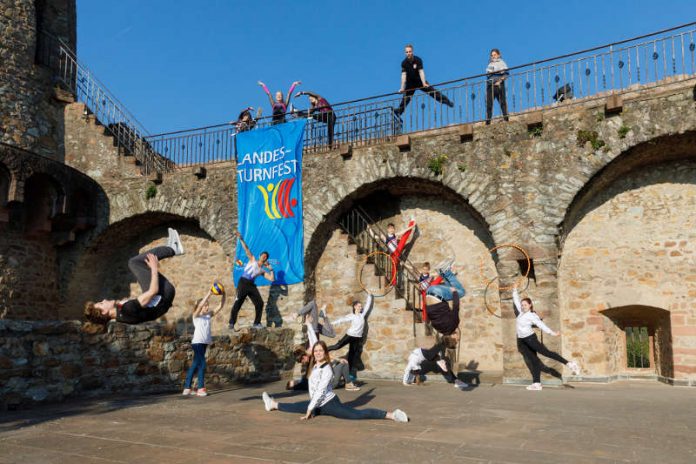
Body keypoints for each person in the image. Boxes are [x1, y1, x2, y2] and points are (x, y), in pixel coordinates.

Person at [262, 340, 408, 422]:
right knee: (296, 406)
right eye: (316, 351)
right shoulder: (313, 365)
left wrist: (309, 409)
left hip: (329, 403)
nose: (318, 353)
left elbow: (319, 391)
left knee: (355, 415)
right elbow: (312, 388)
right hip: (317, 402)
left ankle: (391, 415)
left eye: (321, 351)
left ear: (325, 353)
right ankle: (272, 404)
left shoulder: (326, 369)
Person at [84, 228, 185, 325]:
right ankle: (173, 249)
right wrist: (154, 268)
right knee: (135, 263)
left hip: (163, 299)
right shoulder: (127, 309)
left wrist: (119, 303)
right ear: (104, 312)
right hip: (163, 294)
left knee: (136, 264)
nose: (104, 300)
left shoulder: (121, 316)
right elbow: (153, 291)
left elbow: (137, 309)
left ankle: (170, 248)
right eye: (101, 303)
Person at [512, 284, 581, 390]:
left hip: (530, 339)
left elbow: (542, 326)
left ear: (530, 305)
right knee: (534, 361)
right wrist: (514, 289)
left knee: (546, 353)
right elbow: (516, 300)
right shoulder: (521, 313)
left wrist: (553, 333)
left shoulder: (532, 315)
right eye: (522, 305)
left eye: (525, 305)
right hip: (522, 341)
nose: (522, 306)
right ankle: (537, 384)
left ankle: (570, 363)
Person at [287, 317, 360, 392]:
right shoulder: (305, 381)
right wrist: (308, 324)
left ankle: (346, 382)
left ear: (304, 356)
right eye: (294, 383)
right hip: (330, 384)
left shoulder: (312, 357)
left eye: (302, 360)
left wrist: (308, 324)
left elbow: (312, 338)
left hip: (328, 379)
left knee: (342, 361)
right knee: (343, 363)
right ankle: (348, 383)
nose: (303, 362)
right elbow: (314, 340)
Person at [183, 285, 226, 397]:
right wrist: (209, 293)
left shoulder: (208, 315)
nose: (207, 307)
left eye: (207, 306)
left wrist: (224, 294)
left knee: (195, 364)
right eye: (205, 306)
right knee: (202, 364)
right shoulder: (196, 316)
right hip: (197, 343)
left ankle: (187, 388)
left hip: (204, 343)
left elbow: (220, 306)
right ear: (200, 307)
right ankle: (201, 388)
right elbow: (200, 304)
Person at [229, 231, 274, 331]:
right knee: (238, 302)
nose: (264, 256)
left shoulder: (262, 270)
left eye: (266, 257)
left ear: (266, 260)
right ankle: (231, 323)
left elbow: (271, 279)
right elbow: (246, 249)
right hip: (243, 282)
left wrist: (270, 269)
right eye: (263, 255)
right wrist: (241, 238)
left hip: (251, 285)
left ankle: (256, 323)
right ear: (260, 256)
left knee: (260, 303)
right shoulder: (252, 259)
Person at [395, 44, 454, 117]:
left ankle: (447, 101)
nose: (408, 53)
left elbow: (421, 72)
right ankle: (399, 111)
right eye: (407, 52)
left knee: (432, 91)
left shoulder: (418, 60)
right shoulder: (404, 63)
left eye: (410, 51)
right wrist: (402, 88)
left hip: (419, 81)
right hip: (410, 83)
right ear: (405, 53)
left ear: (412, 52)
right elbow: (403, 76)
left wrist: (424, 83)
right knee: (406, 98)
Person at [327, 294, 374, 382]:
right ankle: (324, 350)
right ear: (355, 307)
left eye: (361, 306)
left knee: (352, 356)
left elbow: (368, 305)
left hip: (357, 338)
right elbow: (341, 320)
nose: (361, 307)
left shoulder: (362, 315)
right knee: (337, 346)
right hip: (349, 336)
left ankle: (350, 375)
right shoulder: (351, 316)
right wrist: (331, 323)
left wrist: (369, 295)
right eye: (359, 306)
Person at [403, 335, 468, 389]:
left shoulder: (440, 346)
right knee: (442, 362)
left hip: (426, 356)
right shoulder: (440, 346)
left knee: (442, 361)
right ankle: (456, 381)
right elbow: (408, 369)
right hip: (427, 358)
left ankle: (456, 380)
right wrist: (406, 382)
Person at [485, 48, 509, 125]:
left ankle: (506, 118)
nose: (493, 56)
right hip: (490, 85)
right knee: (489, 104)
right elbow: (488, 75)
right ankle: (488, 121)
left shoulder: (502, 63)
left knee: (502, 102)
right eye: (492, 55)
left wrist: (500, 81)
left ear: (498, 55)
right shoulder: (490, 64)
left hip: (498, 85)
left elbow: (506, 74)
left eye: (494, 55)